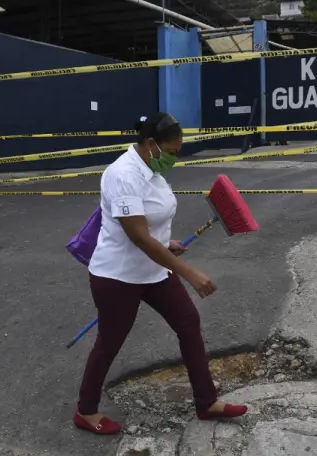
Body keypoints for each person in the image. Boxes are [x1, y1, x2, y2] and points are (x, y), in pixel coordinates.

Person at [73, 112, 248, 435]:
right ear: (151, 144)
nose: (175, 157)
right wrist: (189, 273)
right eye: (172, 151)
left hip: (154, 269)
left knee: (188, 323)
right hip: (118, 276)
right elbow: (137, 235)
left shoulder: (152, 171)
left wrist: (166, 243)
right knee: (110, 341)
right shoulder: (122, 175)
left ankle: (206, 402)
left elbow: (147, 225)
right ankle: (85, 411)